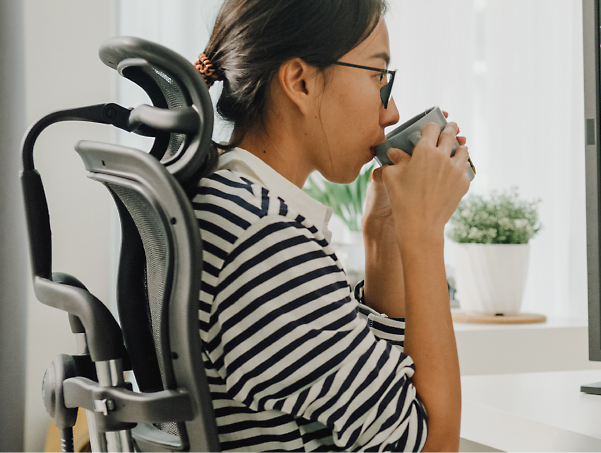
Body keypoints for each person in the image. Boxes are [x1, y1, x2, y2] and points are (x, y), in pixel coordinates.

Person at [190, 1, 469, 451]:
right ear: (300, 81)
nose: (392, 111)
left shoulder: (225, 203)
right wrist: (423, 235)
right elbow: (431, 446)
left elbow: (383, 400)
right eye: (379, 77)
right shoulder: (266, 243)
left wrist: (385, 239)